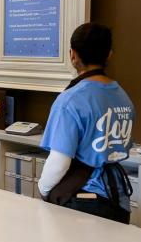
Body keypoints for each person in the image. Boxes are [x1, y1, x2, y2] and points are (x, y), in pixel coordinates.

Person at [38, 23, 135, 223]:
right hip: (119, 197)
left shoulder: (70, 100)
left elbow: (59, 160)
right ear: (109, 54)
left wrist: (43, 189)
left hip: (84, 199)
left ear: (73, 55)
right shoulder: (123, 96)